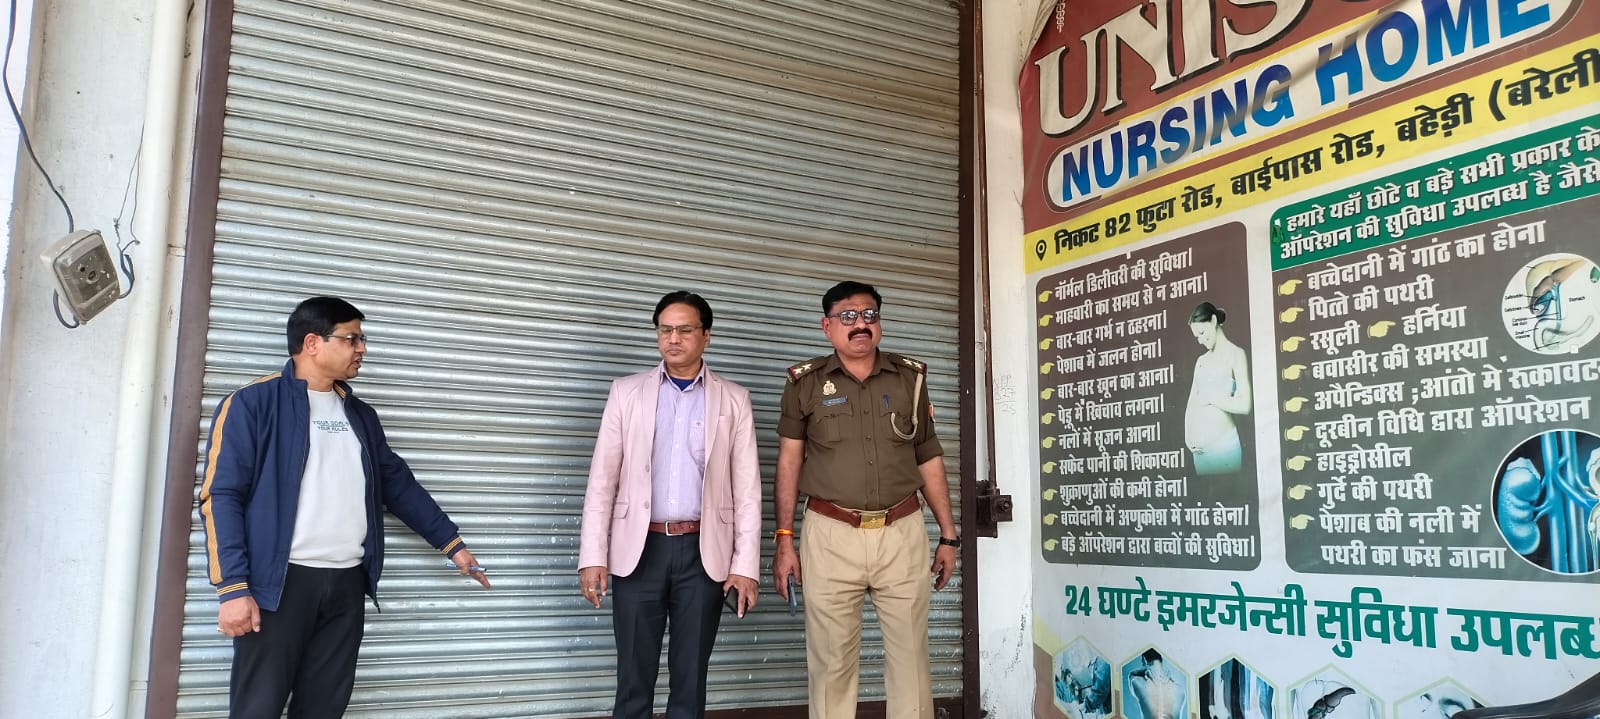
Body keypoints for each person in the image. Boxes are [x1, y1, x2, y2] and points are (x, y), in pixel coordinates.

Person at [198, 296, 490, 719]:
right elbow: (221, 496)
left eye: (361, 339)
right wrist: (233, 588)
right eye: (352, 339)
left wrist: (452, 544)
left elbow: (397, 484)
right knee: (257, 708)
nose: (362, 348)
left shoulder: (361, 416)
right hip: (278, 587)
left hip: (346, 585)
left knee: (324, 708)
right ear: (312, 343)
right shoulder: (252, 404)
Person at [771, 280, 958, 719]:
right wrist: (784, 539)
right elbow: (789, 462)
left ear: (880, 323)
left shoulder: (910, 379)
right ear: (827, 326)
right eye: (848, 316)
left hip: (902, 531)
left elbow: (928, 456)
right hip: (831, 534)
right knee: (831, 662)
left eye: (869, 315)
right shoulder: (804, 384)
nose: (860, 324)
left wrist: (949, 536)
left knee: (911, 661)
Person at [578, 291, 762, 719]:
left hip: (703, 552)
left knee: (690, 678)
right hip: (639, 550)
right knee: (633, 677)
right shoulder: (627, 392)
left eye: (684, 329)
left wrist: (745, 566)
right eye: (665, 330)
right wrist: (593, 556)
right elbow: (602, 480)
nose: (673, 339)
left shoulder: (733, 399)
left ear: (706, 336)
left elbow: (747, 489)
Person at [1184, 301, 1252, 475]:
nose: (1200, 340)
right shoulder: (1201, 361)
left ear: (1214, 321)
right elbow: (1192, 402)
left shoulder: (1236, 354)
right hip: (1200, 452)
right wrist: (1188, 437)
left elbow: (1245, 405)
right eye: (1196, 337)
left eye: (1202, 333)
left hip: (1225, 448)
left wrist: (1211, 397)